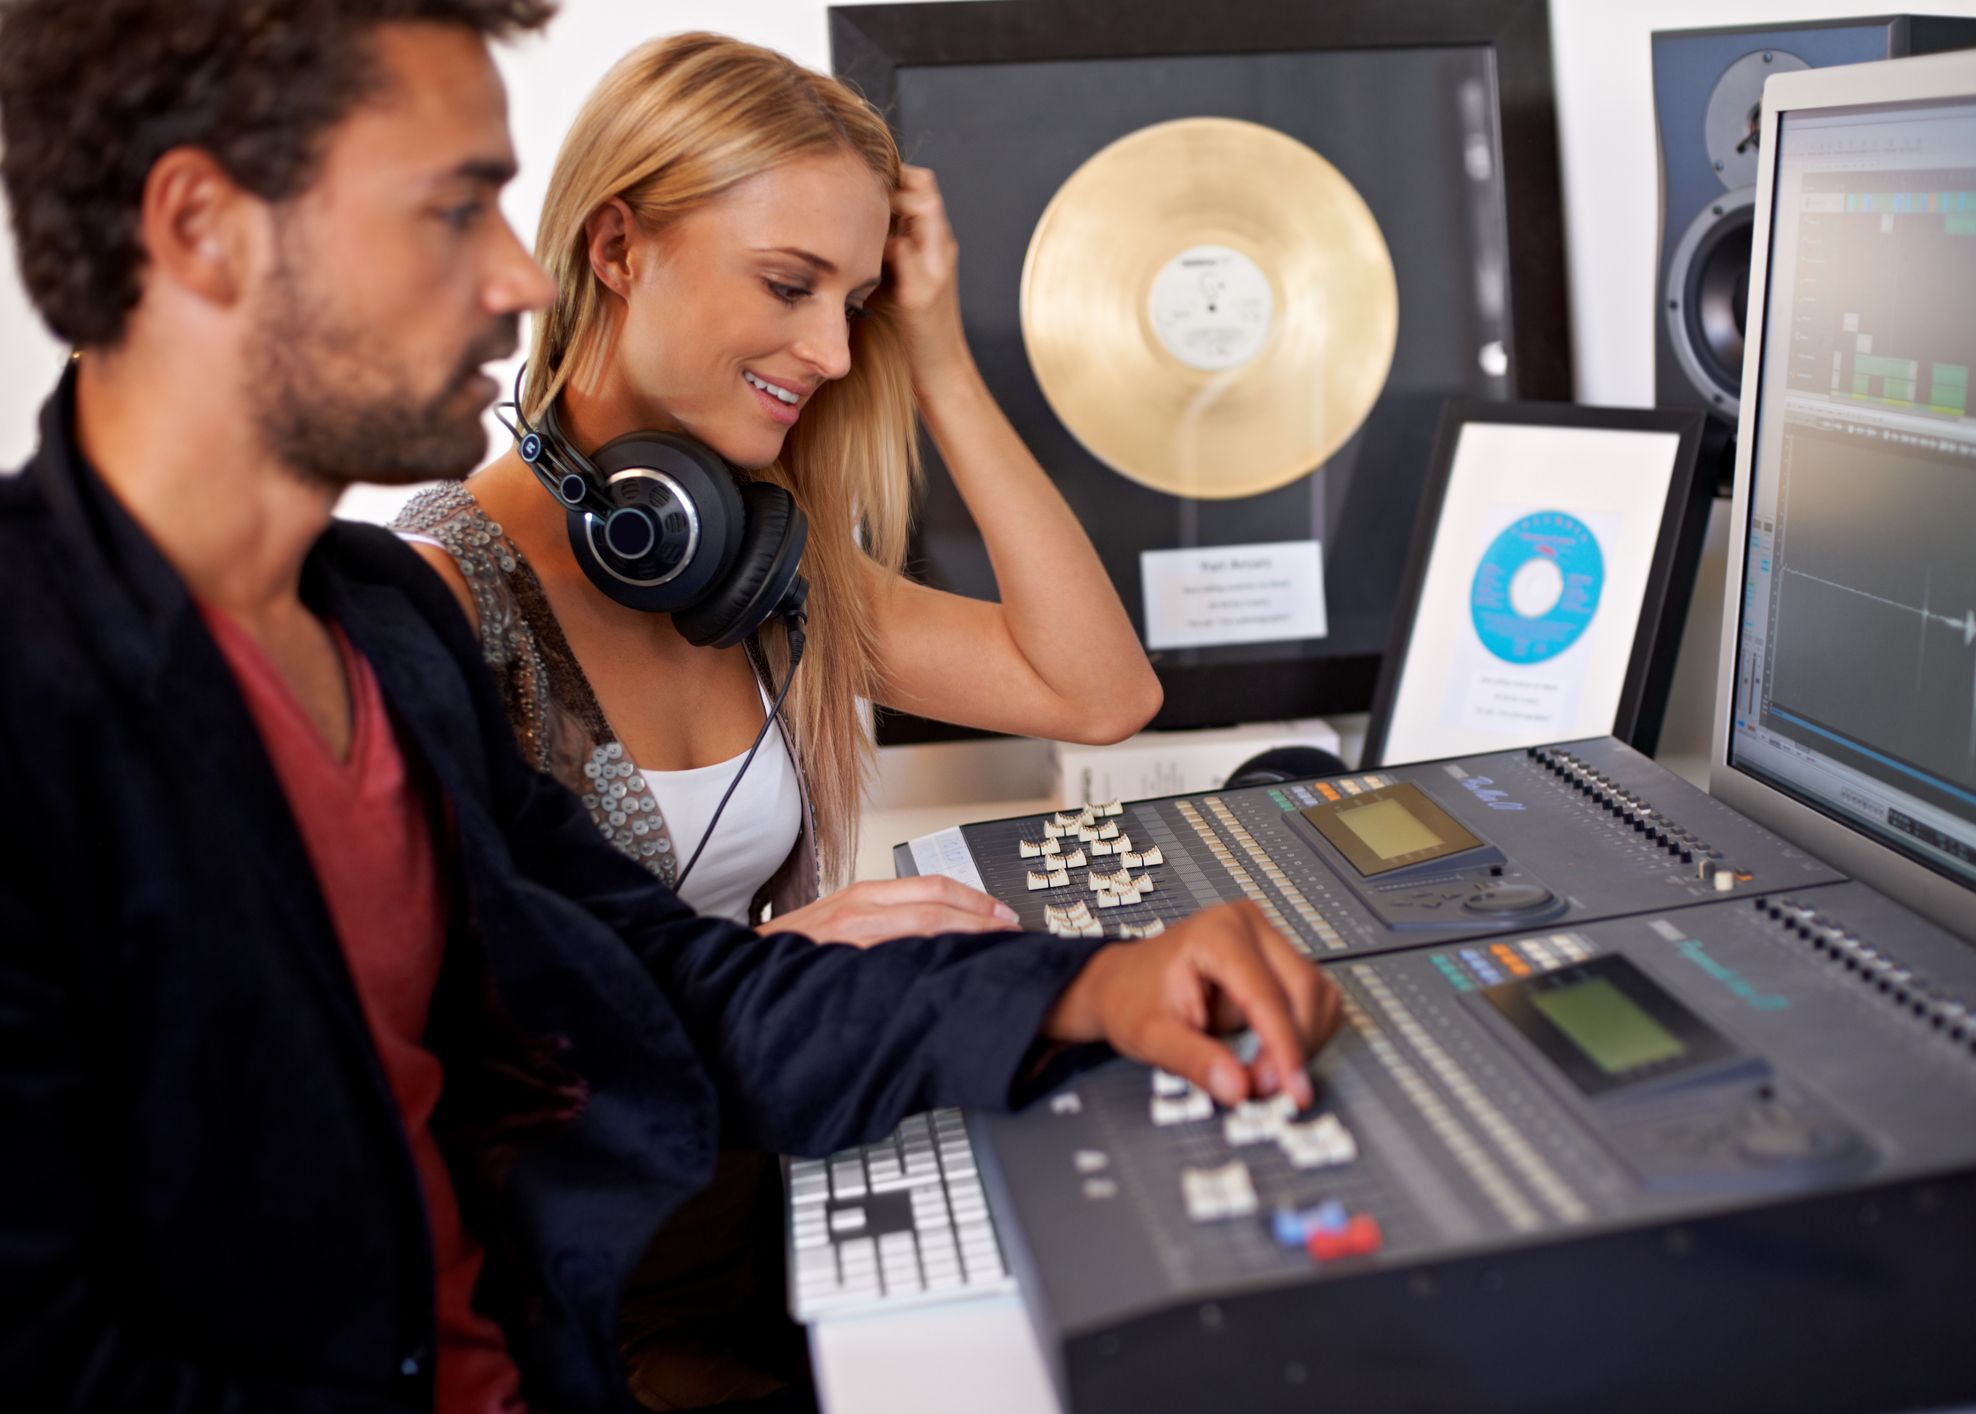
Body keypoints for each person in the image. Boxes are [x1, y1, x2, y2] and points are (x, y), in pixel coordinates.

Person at [0, 5, 1340, 1414]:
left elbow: (657, 990)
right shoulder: (55, 706)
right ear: (203, 225)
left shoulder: (376, 632)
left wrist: (1082, 986)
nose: (519, 279)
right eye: (456, 211)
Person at [396, 32, 1163, 945]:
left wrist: (941, 368)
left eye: (852, 305)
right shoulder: (442, 599)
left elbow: (1098, 696)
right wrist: (785, 959)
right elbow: (432, 1028)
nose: (835, 356)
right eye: (787, 284)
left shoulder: (751, 570)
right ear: (616, 248)